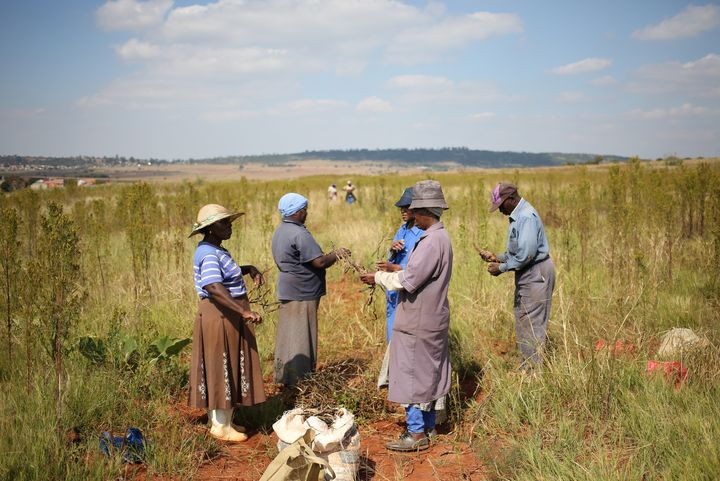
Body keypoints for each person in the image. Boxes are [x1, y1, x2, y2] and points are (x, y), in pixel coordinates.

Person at [360, 180, 452, 452]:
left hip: (417, 320)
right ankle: (429, 426)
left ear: (425, 211)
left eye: (414, 209)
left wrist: (377, 276)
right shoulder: (440, 238)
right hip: (433, 317)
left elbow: (408, 280)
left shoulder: (430, 242)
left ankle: (416, 433)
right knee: (429, 372)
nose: (410, 214)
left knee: (410, 373)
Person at [188, 204, 266, 442]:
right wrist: (242, 311)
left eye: (230, 222)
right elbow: (213, 287)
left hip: (224, 314)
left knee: (226, 364)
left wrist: (248, 268)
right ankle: (221, 427)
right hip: (220, 315)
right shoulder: (209, 253)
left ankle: (222, 421)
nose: (229, 226)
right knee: (223, 366)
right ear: (210, 228)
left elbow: (223, 277)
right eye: (224, 223)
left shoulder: (214, 249)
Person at [271, 193, 351, 386]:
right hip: (302, 291)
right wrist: (337, 254)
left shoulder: (281, 230)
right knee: (302, 335)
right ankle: (301, 380)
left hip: (289, 288)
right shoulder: (299, 233)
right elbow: (320, 261)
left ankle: (284, 375)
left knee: (288, 334)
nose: (306, 213)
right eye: (304, 210)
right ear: (298, 212)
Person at [478, 183, 556, 371]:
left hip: (535, 273)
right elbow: (520, 251)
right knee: (525, 320)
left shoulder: (526, 217)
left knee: (531, 324)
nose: (500, 211)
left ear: (511, 199)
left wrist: (502, 267)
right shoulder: (518, 216)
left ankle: (531, 374)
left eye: (501, 206)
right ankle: (527, 369)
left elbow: (527, 255)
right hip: (529, 273)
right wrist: (496, 256)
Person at [377, 187, 424, 343]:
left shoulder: (423, 234)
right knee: (392, 332)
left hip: (408, 289)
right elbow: (392, 259)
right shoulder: (402, 230)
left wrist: (396, 268)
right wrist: (392, 250)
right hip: (394, 291)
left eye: (407, 207)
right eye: (401, 208)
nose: (403, 211)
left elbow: (421, 268)